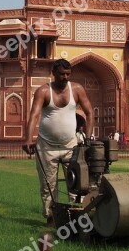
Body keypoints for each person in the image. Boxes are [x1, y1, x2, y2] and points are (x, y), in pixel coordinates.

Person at [25, 59, 94, 226]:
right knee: (48, 185)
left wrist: (87, 139)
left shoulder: (76, 89)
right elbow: (34, 115)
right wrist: (28, 138)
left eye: (68, 74)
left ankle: (78, 216)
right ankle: (52, 218)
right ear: (53, 73)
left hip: (71, 144)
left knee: (77, 182)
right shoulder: (43, 91)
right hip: (46, 146)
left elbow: (89, 113)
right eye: (62, 74)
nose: (65, 77)